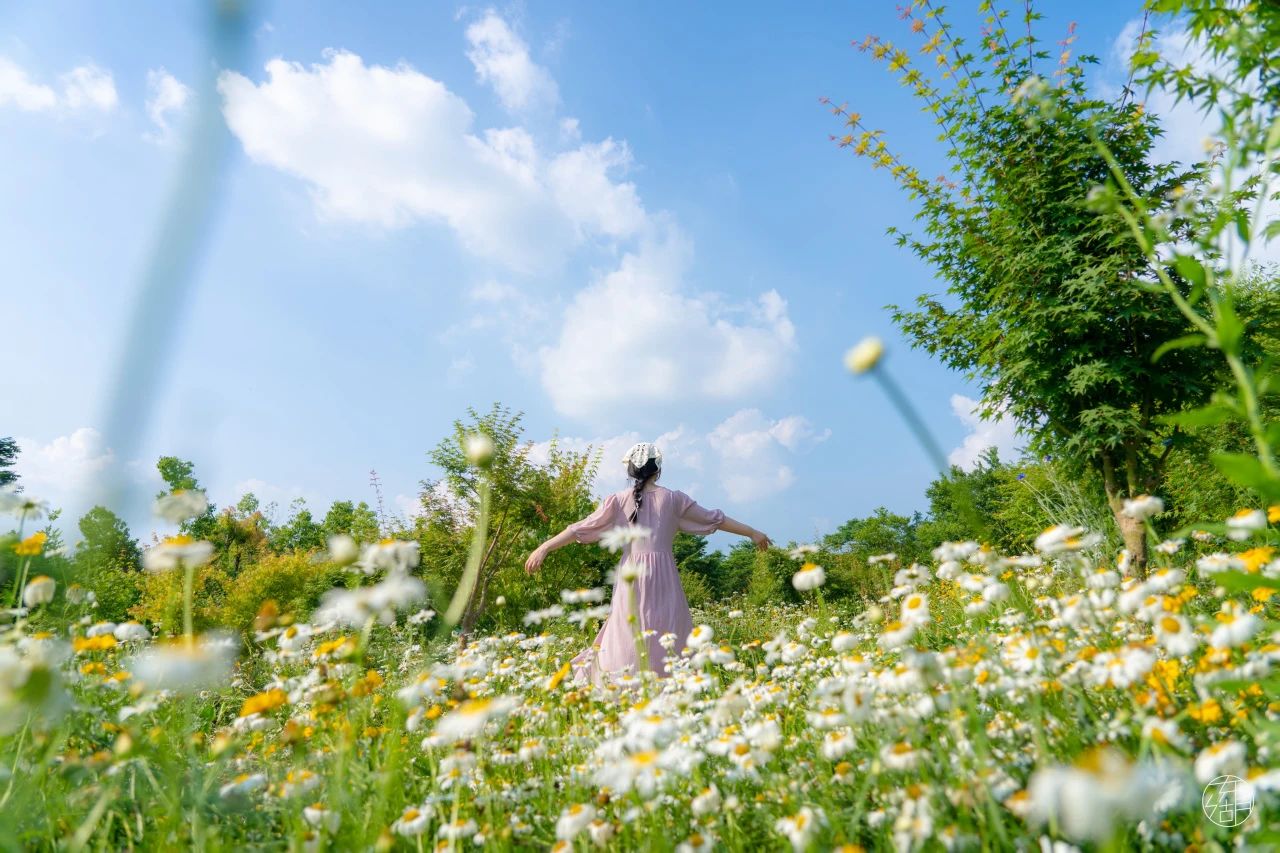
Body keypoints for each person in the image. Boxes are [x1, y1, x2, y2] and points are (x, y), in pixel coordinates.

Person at [523, 441, 771, 686]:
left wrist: (545, 546)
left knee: (625, 630)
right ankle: (672, 685)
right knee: (669, 629)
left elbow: (580, 528)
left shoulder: (618, 500)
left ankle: (621, 684)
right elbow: (716, 518)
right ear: (658, 469)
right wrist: (751, 532)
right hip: (664, 576)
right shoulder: (674, 499)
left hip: (630, 574)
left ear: (630, 470)